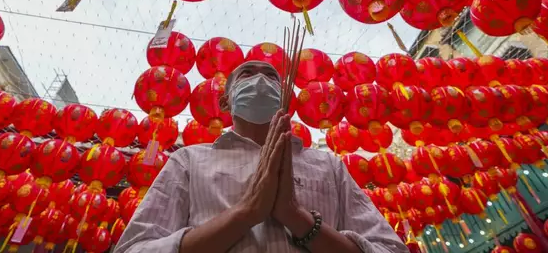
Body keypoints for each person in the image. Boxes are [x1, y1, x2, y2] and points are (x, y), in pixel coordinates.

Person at [115, 60, 408, 253]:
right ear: (225, 101)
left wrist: (297, 217)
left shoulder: (327, 164)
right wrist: (246, 213)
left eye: (271, 76)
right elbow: (135, 248)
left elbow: (390, 248)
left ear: (286, 98)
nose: (259, 80)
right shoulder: (188, 161)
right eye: (247, 74)